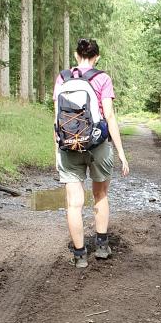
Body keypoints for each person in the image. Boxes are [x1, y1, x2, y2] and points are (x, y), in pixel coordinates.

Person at [54, 38, 130, 268]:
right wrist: (121, 152)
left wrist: (57, 150)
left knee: (74, 203)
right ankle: (102, 246)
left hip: (68, 145)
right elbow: (109, 116)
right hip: (98, 145)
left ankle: (79, 255)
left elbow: (56, 118)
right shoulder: (102, 78)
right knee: (101, 194)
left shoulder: (63, 78)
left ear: (76, 55)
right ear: (97, 57)